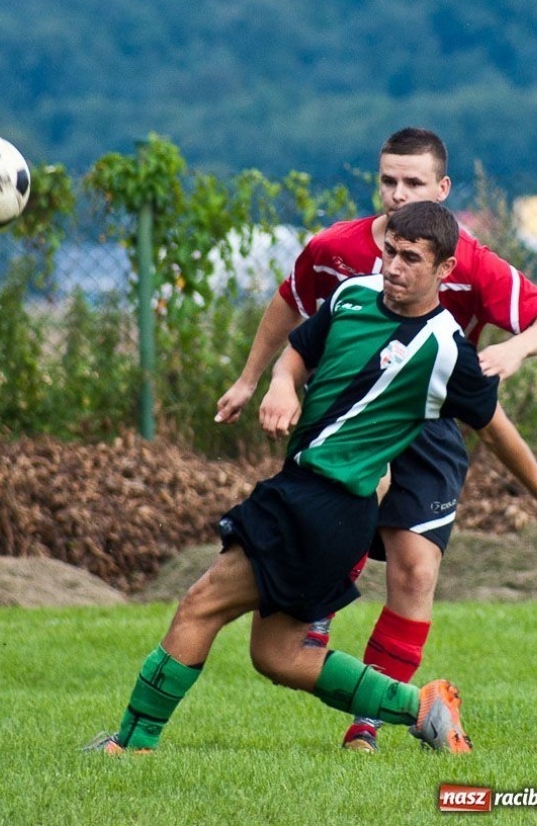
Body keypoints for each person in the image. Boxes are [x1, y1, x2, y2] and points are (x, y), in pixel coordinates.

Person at [215, 127, 537, 753]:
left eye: (414, 182)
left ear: (442, 188)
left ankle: (367, 727)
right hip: (348, 419)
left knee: (416, 571)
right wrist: (253, 380)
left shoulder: (467, 261)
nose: (398, 194)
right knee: (340, 511)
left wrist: (517, 347)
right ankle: (319, 610)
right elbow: (289, 304)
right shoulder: (338, 249)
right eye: (388, 181)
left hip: (428, 422)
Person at [84, 202, 510, 758]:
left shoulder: (443, 345)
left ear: (444, 268)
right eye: (389, 251)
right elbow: (296, 350)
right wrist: (278, 383)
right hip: (328, 507)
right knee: (279, 656)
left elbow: (496, 425)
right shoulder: (353, 296)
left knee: (201, 603)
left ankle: (131, 745)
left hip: (318, 502)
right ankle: (422, 707)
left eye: (410, 257)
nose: (393, 265)